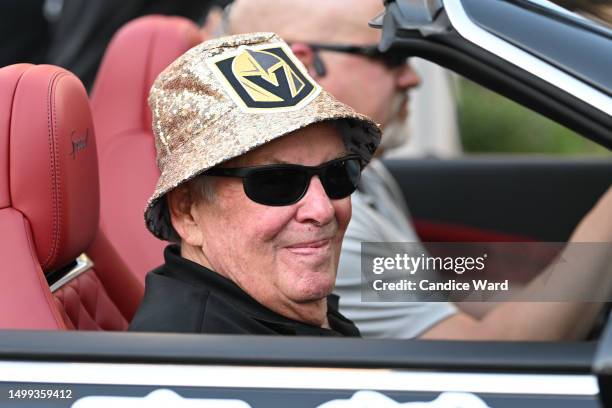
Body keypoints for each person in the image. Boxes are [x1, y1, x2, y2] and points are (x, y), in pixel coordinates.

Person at [227, 0, 612, 340]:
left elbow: (434, 301)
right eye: (390, 56)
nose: (413, 77)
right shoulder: (318, 222)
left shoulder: (364, 175)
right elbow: (487, 356)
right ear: (304, 65)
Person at [129, 32, 382, 335]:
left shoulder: (262, 322)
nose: (323, 209)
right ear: (188, 211)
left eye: (338, 174)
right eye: (277, 183)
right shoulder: (204, 362)